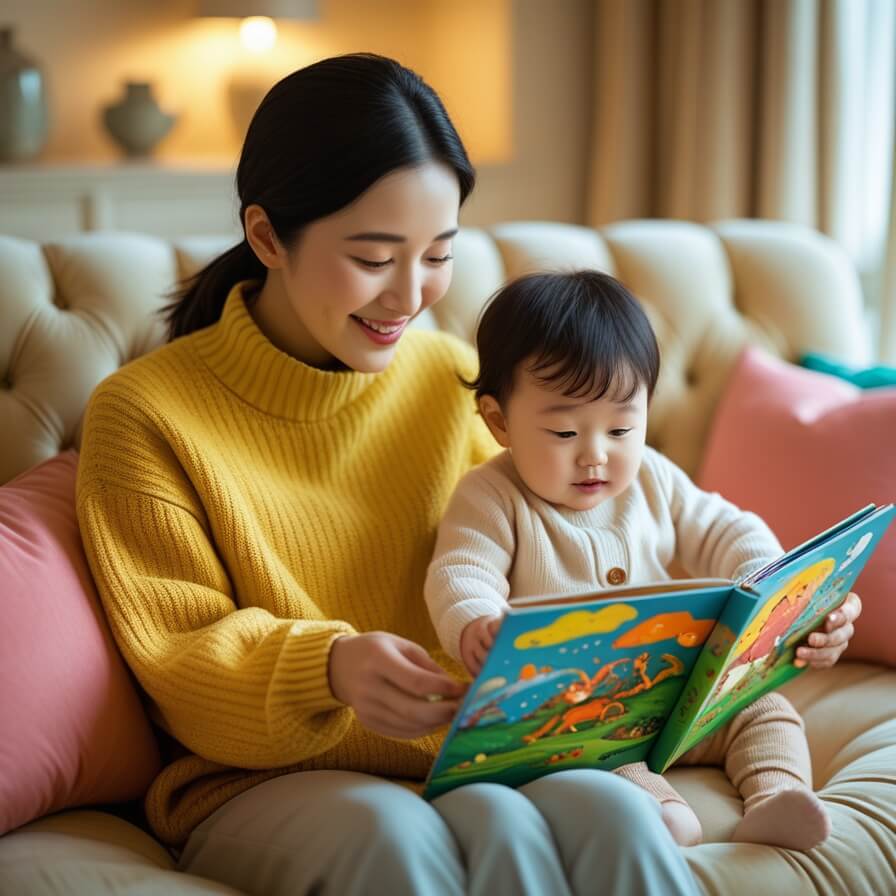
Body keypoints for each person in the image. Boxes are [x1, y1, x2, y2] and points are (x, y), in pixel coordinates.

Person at [76, 54, 701, 896]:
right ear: (267, 238)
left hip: (471, 757)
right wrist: (326, 668)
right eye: (375, 257)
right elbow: (179, 657)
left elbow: (579, 541)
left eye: (438, 254)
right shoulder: (145, 414)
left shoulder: (456, 382)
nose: (410, 296)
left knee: (613, 816)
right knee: (393, 838)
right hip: (259, 783)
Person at [425, 269, 863, 852]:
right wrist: (476, 621)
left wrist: (774, 584)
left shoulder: (654, 478)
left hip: (677, 700)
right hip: (582, 717)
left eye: (622, 428)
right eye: (562, 432)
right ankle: (663, 815)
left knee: (765, 710)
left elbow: (727, 528)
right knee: (606, 769)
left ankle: (776, 798)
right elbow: (461, 571)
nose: (595, 455)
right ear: (499, 422)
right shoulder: (492, 494)